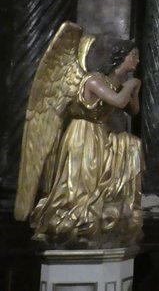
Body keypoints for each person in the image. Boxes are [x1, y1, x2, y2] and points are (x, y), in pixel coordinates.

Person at [15, 23, 143, 248]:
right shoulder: (94, 80)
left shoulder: (115, 83)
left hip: (99, 134)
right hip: (82, 135)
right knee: (80, 187)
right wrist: (130, 85)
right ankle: (74, 218)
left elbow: (133, 110)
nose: (138, 61)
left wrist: (135, 91)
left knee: (130, 146)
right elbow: (118, 101)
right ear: (121, 57)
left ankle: (101, 216)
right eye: (134, 56)